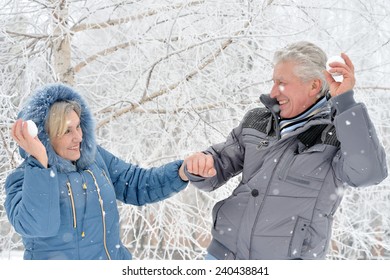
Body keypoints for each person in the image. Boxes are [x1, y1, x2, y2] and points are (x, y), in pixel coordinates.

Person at [182, 41, 387, 260]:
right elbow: (220, 164)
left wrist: (345, 103)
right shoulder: (258, 121)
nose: (272, 92)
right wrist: (202, 164)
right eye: (273, 82)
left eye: (282, 83)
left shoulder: (337, 133)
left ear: (314, 86)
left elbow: (368, 173)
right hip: (224, 255)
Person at [5, 83, 188, 260]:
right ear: (45, 136)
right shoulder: (23, 179)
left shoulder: (94, 159)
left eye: (78, 127)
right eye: (67, 131)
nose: (78, 137)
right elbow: (40, 226)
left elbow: (137, 183)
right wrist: (40, 164)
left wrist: (181, 172)